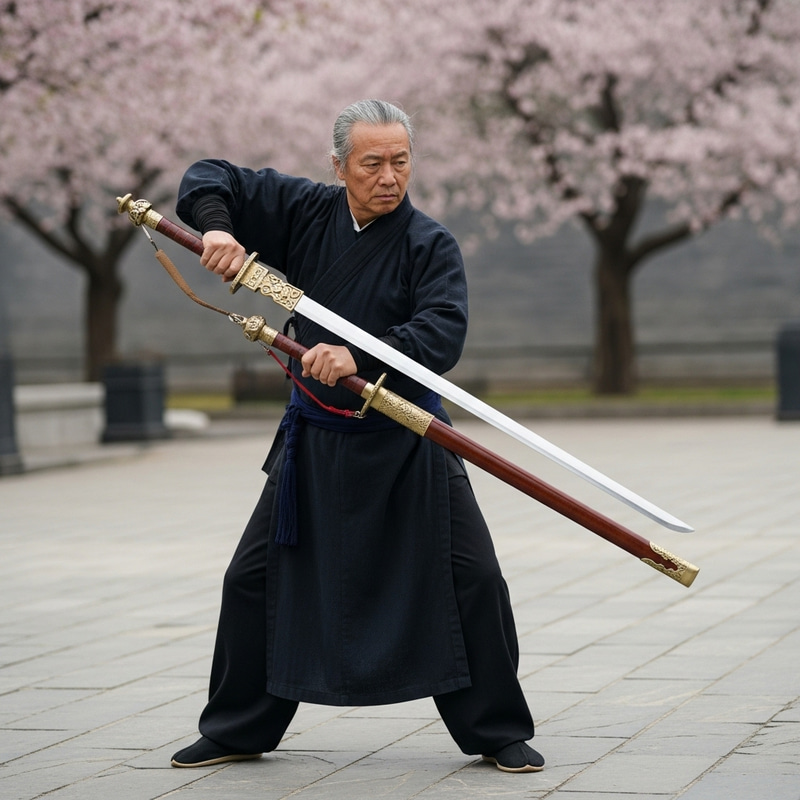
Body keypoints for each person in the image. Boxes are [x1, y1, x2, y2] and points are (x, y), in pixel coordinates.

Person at [170, 99, 544, 774]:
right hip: (315, 439)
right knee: (250, 579)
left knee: (474, 578)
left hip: (407, 435)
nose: (388, 177)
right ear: (338, 166)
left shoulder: (429, 243)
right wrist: (218, 229)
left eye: (400, 161)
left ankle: (497, 729)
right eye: (372, 163)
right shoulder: (304, 212)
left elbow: (441, 332)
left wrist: (358, 355)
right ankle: (237, 726)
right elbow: (209, 175)